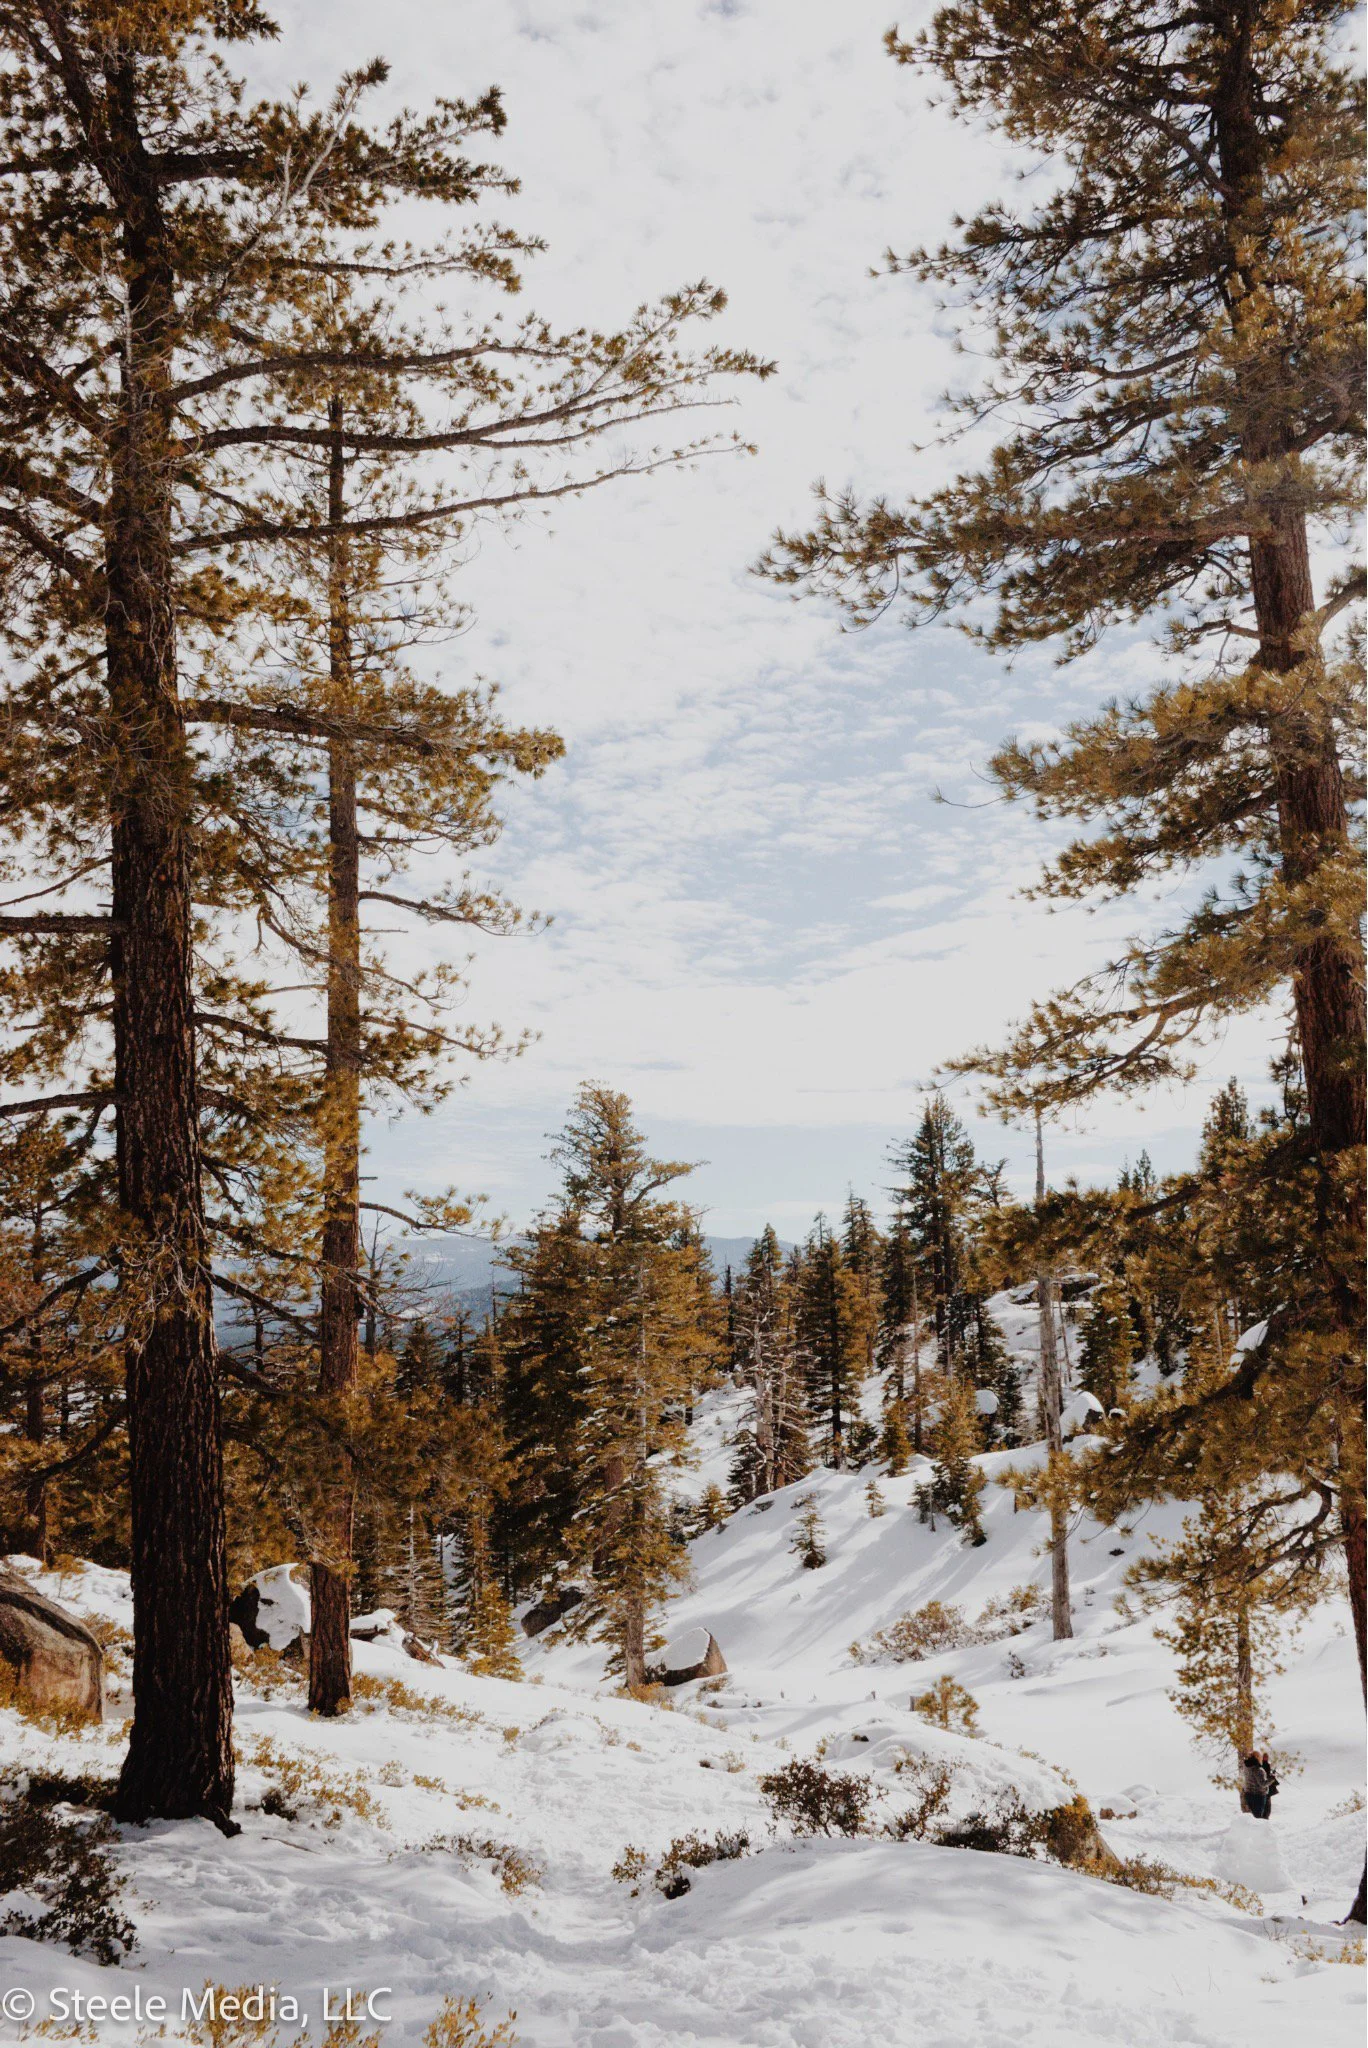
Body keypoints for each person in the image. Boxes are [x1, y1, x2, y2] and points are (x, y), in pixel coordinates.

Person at [1241, 1752, 1270, 1818]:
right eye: (1260, 1757)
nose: (1261, 1758)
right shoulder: (1258, 1769)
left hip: (1248, 1794)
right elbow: (1262, 1784)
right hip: (1258, 1795)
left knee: (1251, 1817)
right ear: (1257, 1757)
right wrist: (1272, 1779)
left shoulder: (1245, 1766)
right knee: (1258, 1818)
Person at [1261, 1751, 1280, 1817]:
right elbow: (1265, 1775)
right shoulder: (1261, 1765)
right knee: (1266, 1802)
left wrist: (1271, 1775)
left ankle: (1266, 1815)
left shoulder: (1267, 1764)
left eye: (1266, 1757)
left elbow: (1267, 1773)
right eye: (1264, 1757)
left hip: (1267, 1785)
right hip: (1265, 1785)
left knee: (1267, 1801)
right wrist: (1271, 1777)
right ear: (1262, 1758)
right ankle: (1265, 1815)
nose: (1266, 1758)